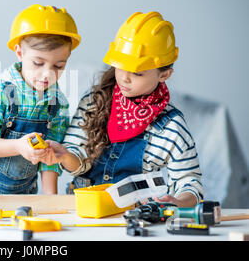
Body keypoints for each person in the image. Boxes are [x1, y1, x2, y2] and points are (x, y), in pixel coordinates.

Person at [42, 11, 204, 207]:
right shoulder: (94, 102)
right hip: (84, 212)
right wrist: (66, 156)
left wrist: (178, 202)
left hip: (134, 219)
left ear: (164, 74)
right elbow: (78, 157)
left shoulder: (171, 125)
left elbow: (190, 183)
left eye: (137, 73)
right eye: (120, 66)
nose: (125, 78)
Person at [0, 4, 81, 199]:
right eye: (38, 63)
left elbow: (50, 158)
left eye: (58, 65)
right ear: (19, 52)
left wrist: (51, 200)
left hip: (23, 195)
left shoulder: (58, 103)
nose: (47, 73)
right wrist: (18, 147)